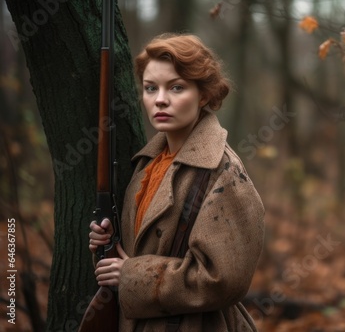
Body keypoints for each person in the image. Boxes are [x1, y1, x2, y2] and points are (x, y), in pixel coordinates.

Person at [88, 33, 265, 332]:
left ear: (204, 94)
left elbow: (223, 280)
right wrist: (106, 246)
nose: (159, 99)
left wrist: (131, 276)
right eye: (150, 88)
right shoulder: (148, 163)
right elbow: (142, 250)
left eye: (176, 87)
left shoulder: (224, 172)